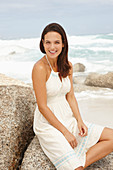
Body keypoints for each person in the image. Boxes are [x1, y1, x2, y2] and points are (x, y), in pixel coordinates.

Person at [32, 23, 113, 170]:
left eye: (57, 42)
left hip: (67, 117)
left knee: (112, 137)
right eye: (48, 42)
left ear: (63, 44)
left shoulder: (67, 66)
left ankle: (78, 163)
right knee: (75, 168)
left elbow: (70, 97)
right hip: (48, 124)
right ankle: (75, 166)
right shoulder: (39, 68)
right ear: (42, 43)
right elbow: (42, 107)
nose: (52, 47)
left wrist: (80, 120)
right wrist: (65, 132)